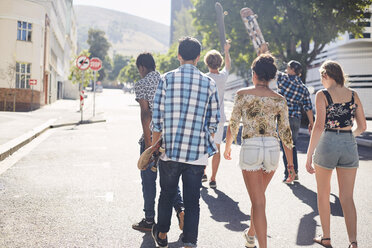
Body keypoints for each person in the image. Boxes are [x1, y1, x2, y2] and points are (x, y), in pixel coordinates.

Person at [151, 37, 220, 248]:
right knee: (193, 201)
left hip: (170, 151)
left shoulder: (166, 79)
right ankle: (190, 241)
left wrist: (155, 148)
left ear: (179, 55)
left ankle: (162, 235)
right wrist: (203, 138)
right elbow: (214, 120)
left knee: (166, 194)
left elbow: (157, 118)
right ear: (199, 58)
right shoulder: (209, 83)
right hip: (197, 154)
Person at [224, 54, 295, 248]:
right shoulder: (280, 99)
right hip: (272, 149)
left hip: (251, 147)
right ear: (271, 77)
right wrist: (290, 165)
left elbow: (233, 124)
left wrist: (228, 146)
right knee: (259, 198)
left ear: (254, 74)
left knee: (258, 201)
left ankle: (261, 244)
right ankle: (250, 234)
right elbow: (285, 133)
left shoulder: (242, 94)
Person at [305, 60, 366, 248]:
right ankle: (353, 242)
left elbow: (319, 126)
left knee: (323, 194)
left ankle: (326, 237)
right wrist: (348, 136)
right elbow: (363, 126)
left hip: (327, 143)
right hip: (348, 143)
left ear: (326, 75)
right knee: (347, 197)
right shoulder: (354, 94)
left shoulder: (322, 95)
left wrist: (309, 155)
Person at [132, 52, 184, 232]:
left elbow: (146, 114)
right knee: (169, 179)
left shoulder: (142, 83)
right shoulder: (167, 81)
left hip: (152, 138)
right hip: (169, 139)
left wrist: (149, 145)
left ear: (142, 67)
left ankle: (148, 219)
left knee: (148, 180)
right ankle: (180, 209)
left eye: (139, 69)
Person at [277, 60, 314, 183]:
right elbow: (308, 107)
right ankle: (295, 172)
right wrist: (311, 123)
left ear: (292, 70)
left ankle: (288, 173)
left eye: (288, 67)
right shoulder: (303, 87)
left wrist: (262, 51)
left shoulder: (283, 79)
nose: (286, 69)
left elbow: (271, 67)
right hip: (296, 119)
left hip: (284, 118)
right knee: (292, 146)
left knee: (286, 146)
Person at [202, 41, 231, 188]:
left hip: (205, 118)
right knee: (217, 148)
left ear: (207, 63)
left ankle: (203, 171)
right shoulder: (223, 77)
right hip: (219, 118)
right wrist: (226, 51)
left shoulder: (204, 78)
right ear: (219, 63)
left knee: (203, 146)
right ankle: (213, 178)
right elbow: (228, 66)